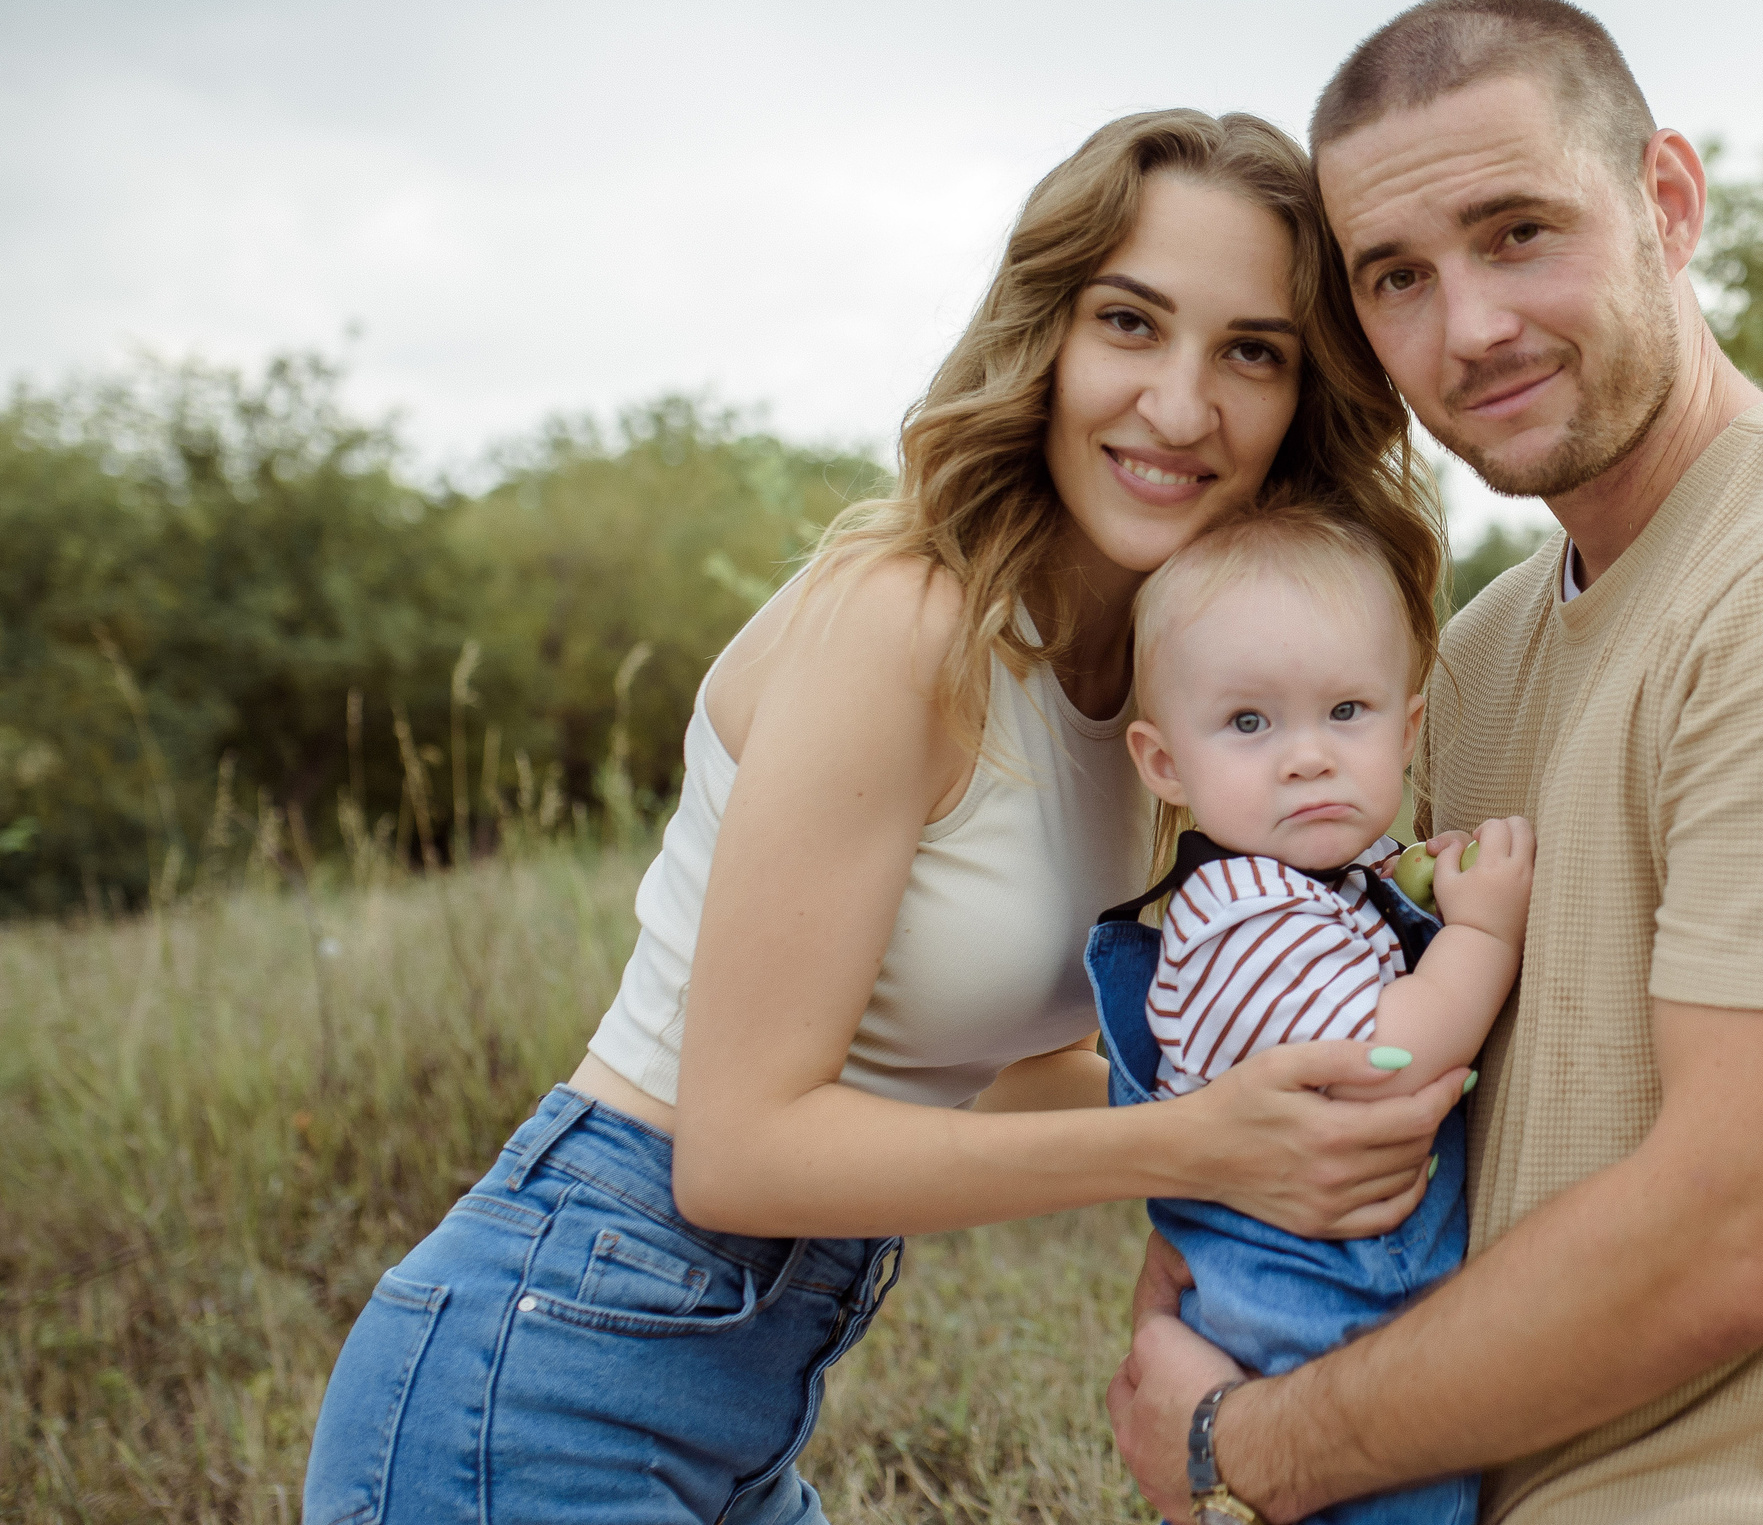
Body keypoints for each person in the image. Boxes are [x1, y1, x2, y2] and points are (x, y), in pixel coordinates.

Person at [301, 108, 1469, 1525]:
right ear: (1047, 337)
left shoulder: (1163, 704)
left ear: (1304, 398)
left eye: (1251, 351)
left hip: (731, 1385)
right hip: (550, 1359)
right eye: (1129, 323)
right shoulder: (906, 620)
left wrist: (1302, 1084)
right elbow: (740, 1150)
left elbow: (971, 1064)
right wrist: (1198, 1141)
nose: (1178, 404)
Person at [1108, 0, 1763, 1524]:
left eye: (1518, 233)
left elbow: (1731, 1246)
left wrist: (1255, 1447)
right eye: (1398, 278)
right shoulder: (1482, 651)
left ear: (1668, 204)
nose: (1470, 329)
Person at [1084, 505, 1534, 1525]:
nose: (1306, 756)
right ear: (1162, 762)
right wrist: (1485, 934)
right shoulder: (1242, 913)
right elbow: (1391, 1054)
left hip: (1351, 1317)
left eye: (1346, 712)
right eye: (1248, 722)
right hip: (1315, 1335)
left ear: (1407, 726)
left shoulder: (1329, 879)